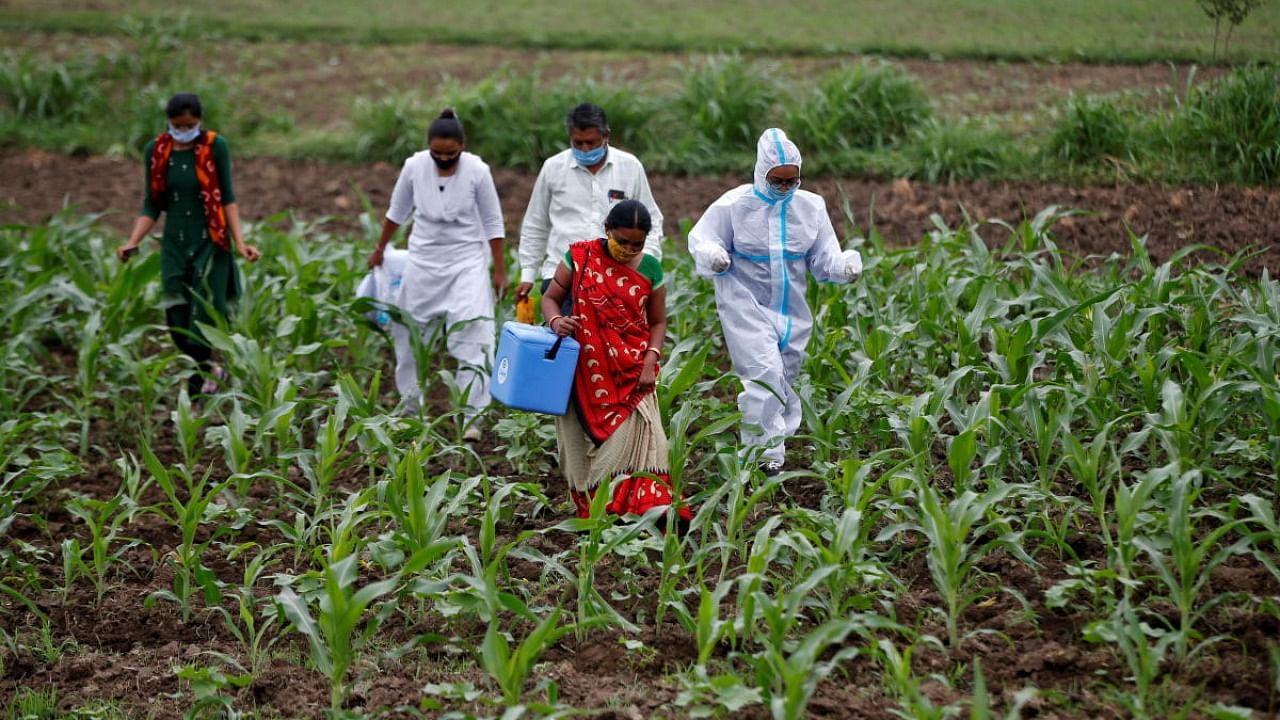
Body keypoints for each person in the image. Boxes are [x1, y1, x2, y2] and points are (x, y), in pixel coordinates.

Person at [687, 128, 863, 476]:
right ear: (761, 173)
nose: (784, 188)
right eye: (777, 181)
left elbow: (823, 256)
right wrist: (714, 256)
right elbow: (701, 239)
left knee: (781, 379)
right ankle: (763, 459)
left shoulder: (810, 207)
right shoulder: (734, 206)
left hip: (792, 311)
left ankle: (771, 445)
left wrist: (844, 267)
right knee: (764, 374)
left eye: (790, 181)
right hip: (745, 304)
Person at [543, 200, 692, 527]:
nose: (628, 249)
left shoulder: (650, 268)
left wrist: (651, 359)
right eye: (621, 241)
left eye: (636, 244)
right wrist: (555, 321)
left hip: (632, 368)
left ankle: (639, 507)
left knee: (638, 439)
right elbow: (551, 297)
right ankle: (597, 509)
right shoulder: (580, 257)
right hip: (586, 369)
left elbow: (657, 322)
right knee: (580, 439)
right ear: (607, 230)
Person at [368, 108, 506, 440]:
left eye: (450, 154)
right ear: (429, 147)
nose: (443, 159)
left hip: (467, 261)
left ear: (463, 146)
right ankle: (410, 409)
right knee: (410, 334)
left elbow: (492, 222)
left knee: (474, 332)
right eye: (438, 153)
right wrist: (379, 249)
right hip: (424, 260)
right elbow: (396, 212)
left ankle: (471, 418)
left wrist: (499, 269)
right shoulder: (414, 167)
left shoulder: (477, 170)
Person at [116, 92, 260, 403]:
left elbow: (227, 198)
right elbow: (152, 205)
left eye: (190, 124)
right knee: (176, 316)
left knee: (204, 318)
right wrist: (133, 241)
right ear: (168, 122)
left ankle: (198, 388)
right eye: (178, 125)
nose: (184, 130)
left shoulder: (213, 147)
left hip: (211, 241)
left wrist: (241, 242)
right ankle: (210, 370)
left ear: (199, 121)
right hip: (174, 244)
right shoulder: (155, 151)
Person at [516, 103, 664, 313]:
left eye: (592, 143)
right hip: (562, 278)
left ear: (607, 136)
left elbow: (652, 220)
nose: (585, 149)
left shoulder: (630, 167)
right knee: (568, 341)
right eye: (578, 143)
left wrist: (645, 263)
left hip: (617, 279)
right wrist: (528, 273)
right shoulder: (553, 168)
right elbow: (536, 223)